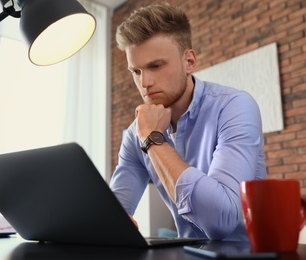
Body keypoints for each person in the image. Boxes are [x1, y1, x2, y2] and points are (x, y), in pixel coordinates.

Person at [110, 2, 267, 241]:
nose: (145, 83)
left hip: (247, 253)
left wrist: (154, 140)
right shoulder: (137, 132)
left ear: (189, 62)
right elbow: (115, 213)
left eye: (156, 65)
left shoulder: (234, 106)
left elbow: (220, 222)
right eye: (136, 71)